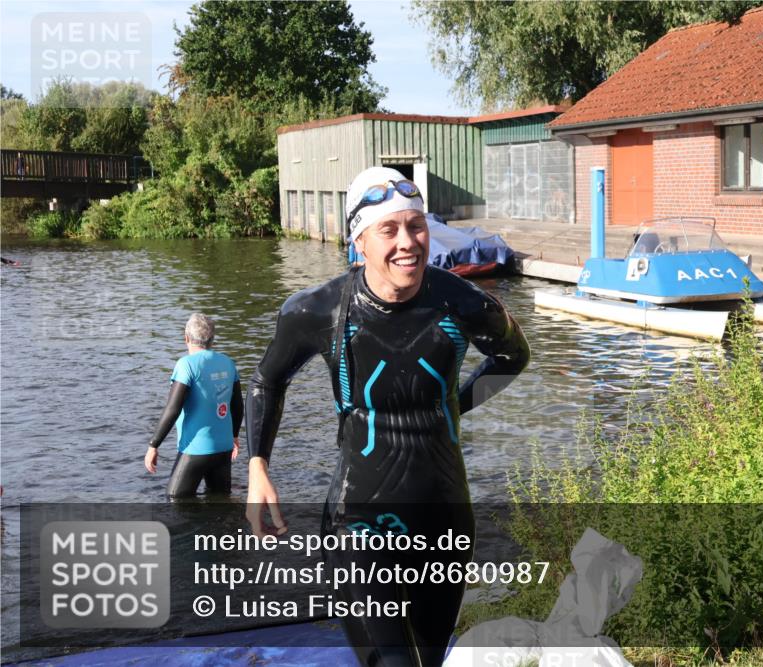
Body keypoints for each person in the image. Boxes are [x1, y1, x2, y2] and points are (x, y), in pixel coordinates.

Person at [245, 166, 530, 666]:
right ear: (359, 242)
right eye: (389, 229)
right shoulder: (316, 311)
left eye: (416, 225)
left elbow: (512, 358)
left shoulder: (463, 302)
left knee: (429, 658)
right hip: (360, 520)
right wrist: (257, 466)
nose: (408, 243)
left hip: (444, 517)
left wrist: (453, 407)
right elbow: (268, 380)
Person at [145, 313, 243, 498]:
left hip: (195, 449)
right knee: (219, 503)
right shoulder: (228, 363)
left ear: (186, 337)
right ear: (212, 339)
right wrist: (235, 436)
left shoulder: (186, 365)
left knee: (175, 500)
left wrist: (153, 445)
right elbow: (237, 405)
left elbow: (173, 409)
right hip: (223, 448)